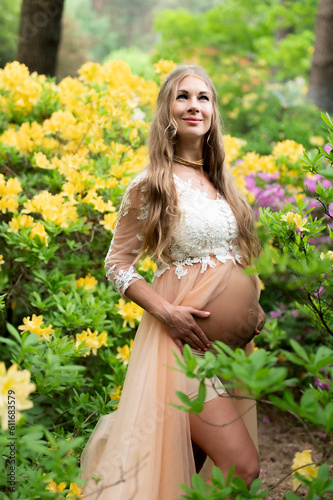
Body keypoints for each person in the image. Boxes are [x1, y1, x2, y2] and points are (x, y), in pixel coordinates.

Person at [80, 65, 266, 500]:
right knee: (242, 465)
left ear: (214, 111)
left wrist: (251, 311)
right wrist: (167, 312)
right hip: (178, 348)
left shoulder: (221, 183)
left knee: (184, 472)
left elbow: (234, 262)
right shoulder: (152, 185)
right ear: (167, 108)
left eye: (203, 97)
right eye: (183, 96)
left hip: (223, 355)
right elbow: (118, 263)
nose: (194, 106)